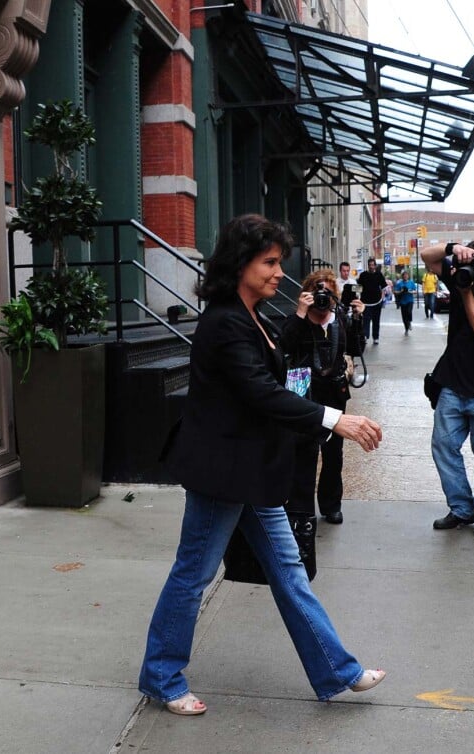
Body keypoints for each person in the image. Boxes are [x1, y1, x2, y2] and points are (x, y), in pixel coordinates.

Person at [138, 214, 385, 715]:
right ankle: (161, 676)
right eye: (269, 262)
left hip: (253, 473)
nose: (278, 271)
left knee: (290, 573)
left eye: (279, 262)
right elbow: (258, 392)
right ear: (240, 263)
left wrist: (310, 347)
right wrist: (332, 420)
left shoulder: (259, 316)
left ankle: (337, 670)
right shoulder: (225, 321)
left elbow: (286, 376)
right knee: (194, 573)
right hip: (223, 473)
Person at [421, 240, 474, 539]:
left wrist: (465, 290)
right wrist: (453, 248)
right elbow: (426, 256)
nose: (471, 268)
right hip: (452, 385)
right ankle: (461, 507)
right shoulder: (457, 271)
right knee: (443, 448)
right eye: (468, 262)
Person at [280, 269, 365, 525]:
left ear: (334, 296)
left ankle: (331, 505)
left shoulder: (340, 319)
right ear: (307, 293)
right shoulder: (299, 319)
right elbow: (284, 346)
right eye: (318, 291)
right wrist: (300, 313)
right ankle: (301, 508)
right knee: (304, 452)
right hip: (305, 393)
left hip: (334, 393)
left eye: (327, 292)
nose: (322, 297)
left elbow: (356, 349)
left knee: (333, 453)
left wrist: (358, 319)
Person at [358, 258, 387, 344]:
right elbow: (359, 287)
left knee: (376, 320)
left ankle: (376, 337)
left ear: (375, 266)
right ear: (368, 266)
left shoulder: (379, 275)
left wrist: (382, 298)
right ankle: (366, 336)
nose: (371, 266)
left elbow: (384, 287)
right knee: (366, 320)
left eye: (372, 265)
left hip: (377, 302)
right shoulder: (363, 275)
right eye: (370, 265)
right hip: (365, 302)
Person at [394, 270, 416, 335]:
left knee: (409, 312)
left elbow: (415, 291)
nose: (405, 276)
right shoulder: (399, 283)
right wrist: (401, 291)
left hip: (410, 301)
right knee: (404, 316)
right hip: (403, 302)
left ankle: (409, 322)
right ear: (402, 276)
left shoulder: (411, 283)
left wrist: (409, 291)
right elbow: (395, 292)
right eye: (404, 275)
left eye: (406, 275)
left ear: (408, 276)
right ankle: (406, 329)